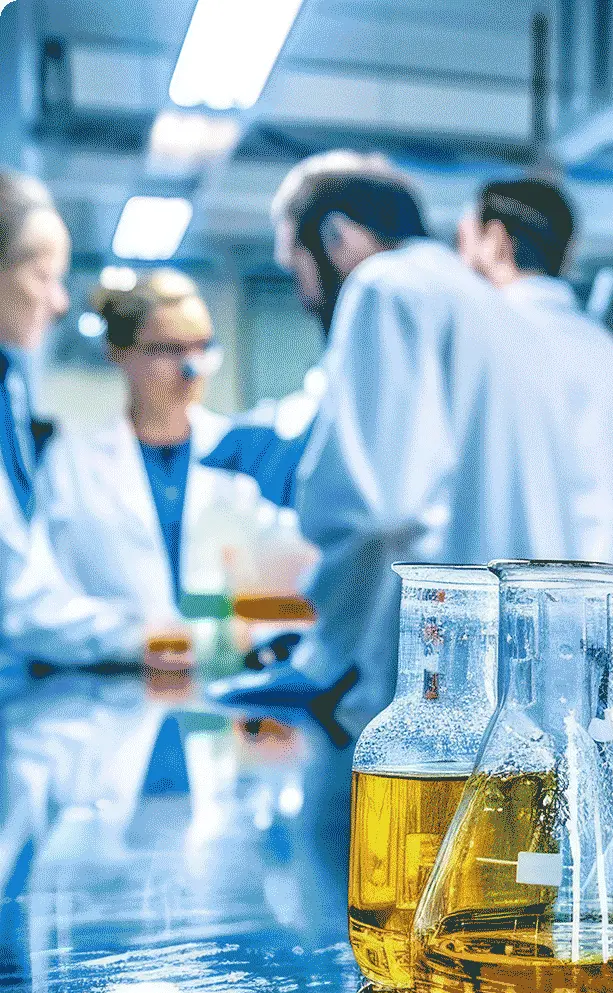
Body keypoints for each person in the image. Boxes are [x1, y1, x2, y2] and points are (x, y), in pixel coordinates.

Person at [211, 152, 572, 724]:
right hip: (498, 661)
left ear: (337, 237)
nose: (304, 295)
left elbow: (368, 501)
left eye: (297, 266)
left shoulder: (385, 286)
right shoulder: (477, 297)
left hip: (412, 671)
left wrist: (319, 656)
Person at [458, 177, 613, 760]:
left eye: (465, 239)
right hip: (610, 627)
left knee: (507, 801)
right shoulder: (612, 357)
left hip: (508, 634)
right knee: (603, 796)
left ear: (496, 241)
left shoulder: (481, 342)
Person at [36, 269, 245, 630]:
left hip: (223, 658)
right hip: (110, 661)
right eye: (169, 350)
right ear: (119, 351)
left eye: (203, 347)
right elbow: (46, 594)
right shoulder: (69, 463)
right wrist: (132, 637)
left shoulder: (241, 452)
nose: (192, 368)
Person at [0, 170, 143, 667]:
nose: (60, 303)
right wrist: (142, 637)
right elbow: (15, 600)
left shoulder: (11, 389)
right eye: (43, 276)